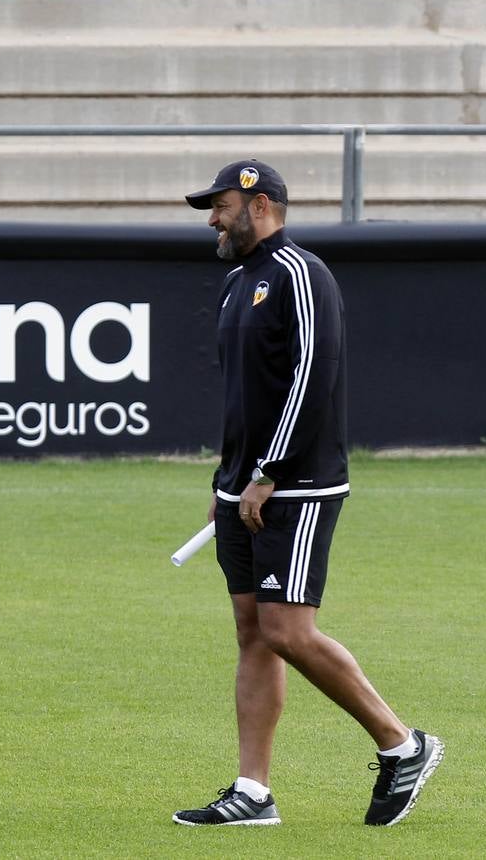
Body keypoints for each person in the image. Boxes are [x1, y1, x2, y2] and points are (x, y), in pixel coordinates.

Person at [172, 160, 442, 828]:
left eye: (221, 204)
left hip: (298, 482)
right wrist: (227, 477)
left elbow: (311, 376)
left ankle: (402, 745)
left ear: (260, 203)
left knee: (287, 629)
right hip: (245, 484)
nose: (212, 217)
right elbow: (246, 393)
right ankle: (253, 793)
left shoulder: (301, 273)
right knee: (252, 633)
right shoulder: (238, 284)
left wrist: (270, 472)